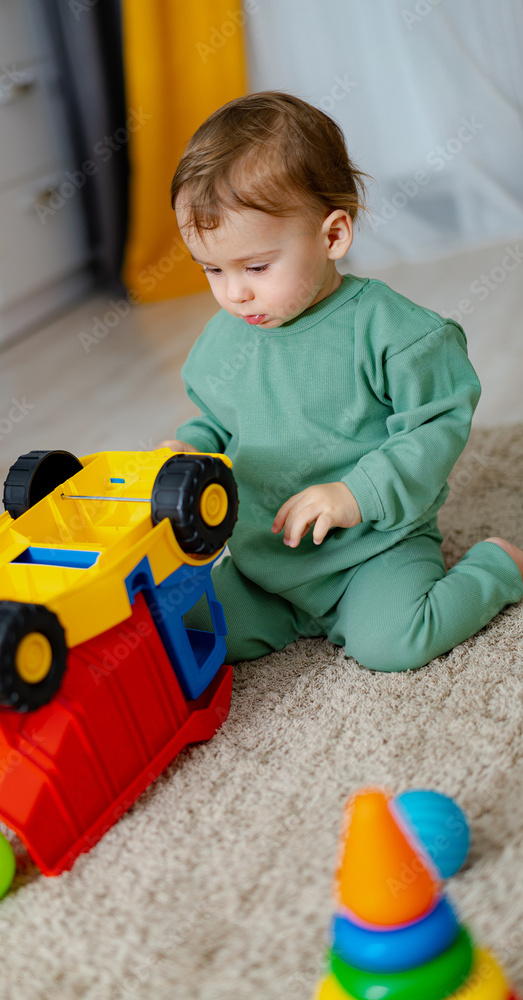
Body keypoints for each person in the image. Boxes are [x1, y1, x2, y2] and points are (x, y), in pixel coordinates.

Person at [157, 91, 523, 672]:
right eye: (212, 269)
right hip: (265, 564)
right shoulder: (222, 343)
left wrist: (357, 494)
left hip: (373, 548)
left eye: (255, 267)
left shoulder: (391, 331)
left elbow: (436, 424)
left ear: (332, 237)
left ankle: (497, 567)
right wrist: (190, 452)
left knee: (393, 643)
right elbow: (217, 420)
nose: (235, 292)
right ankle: (283, 615)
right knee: (188, 631)